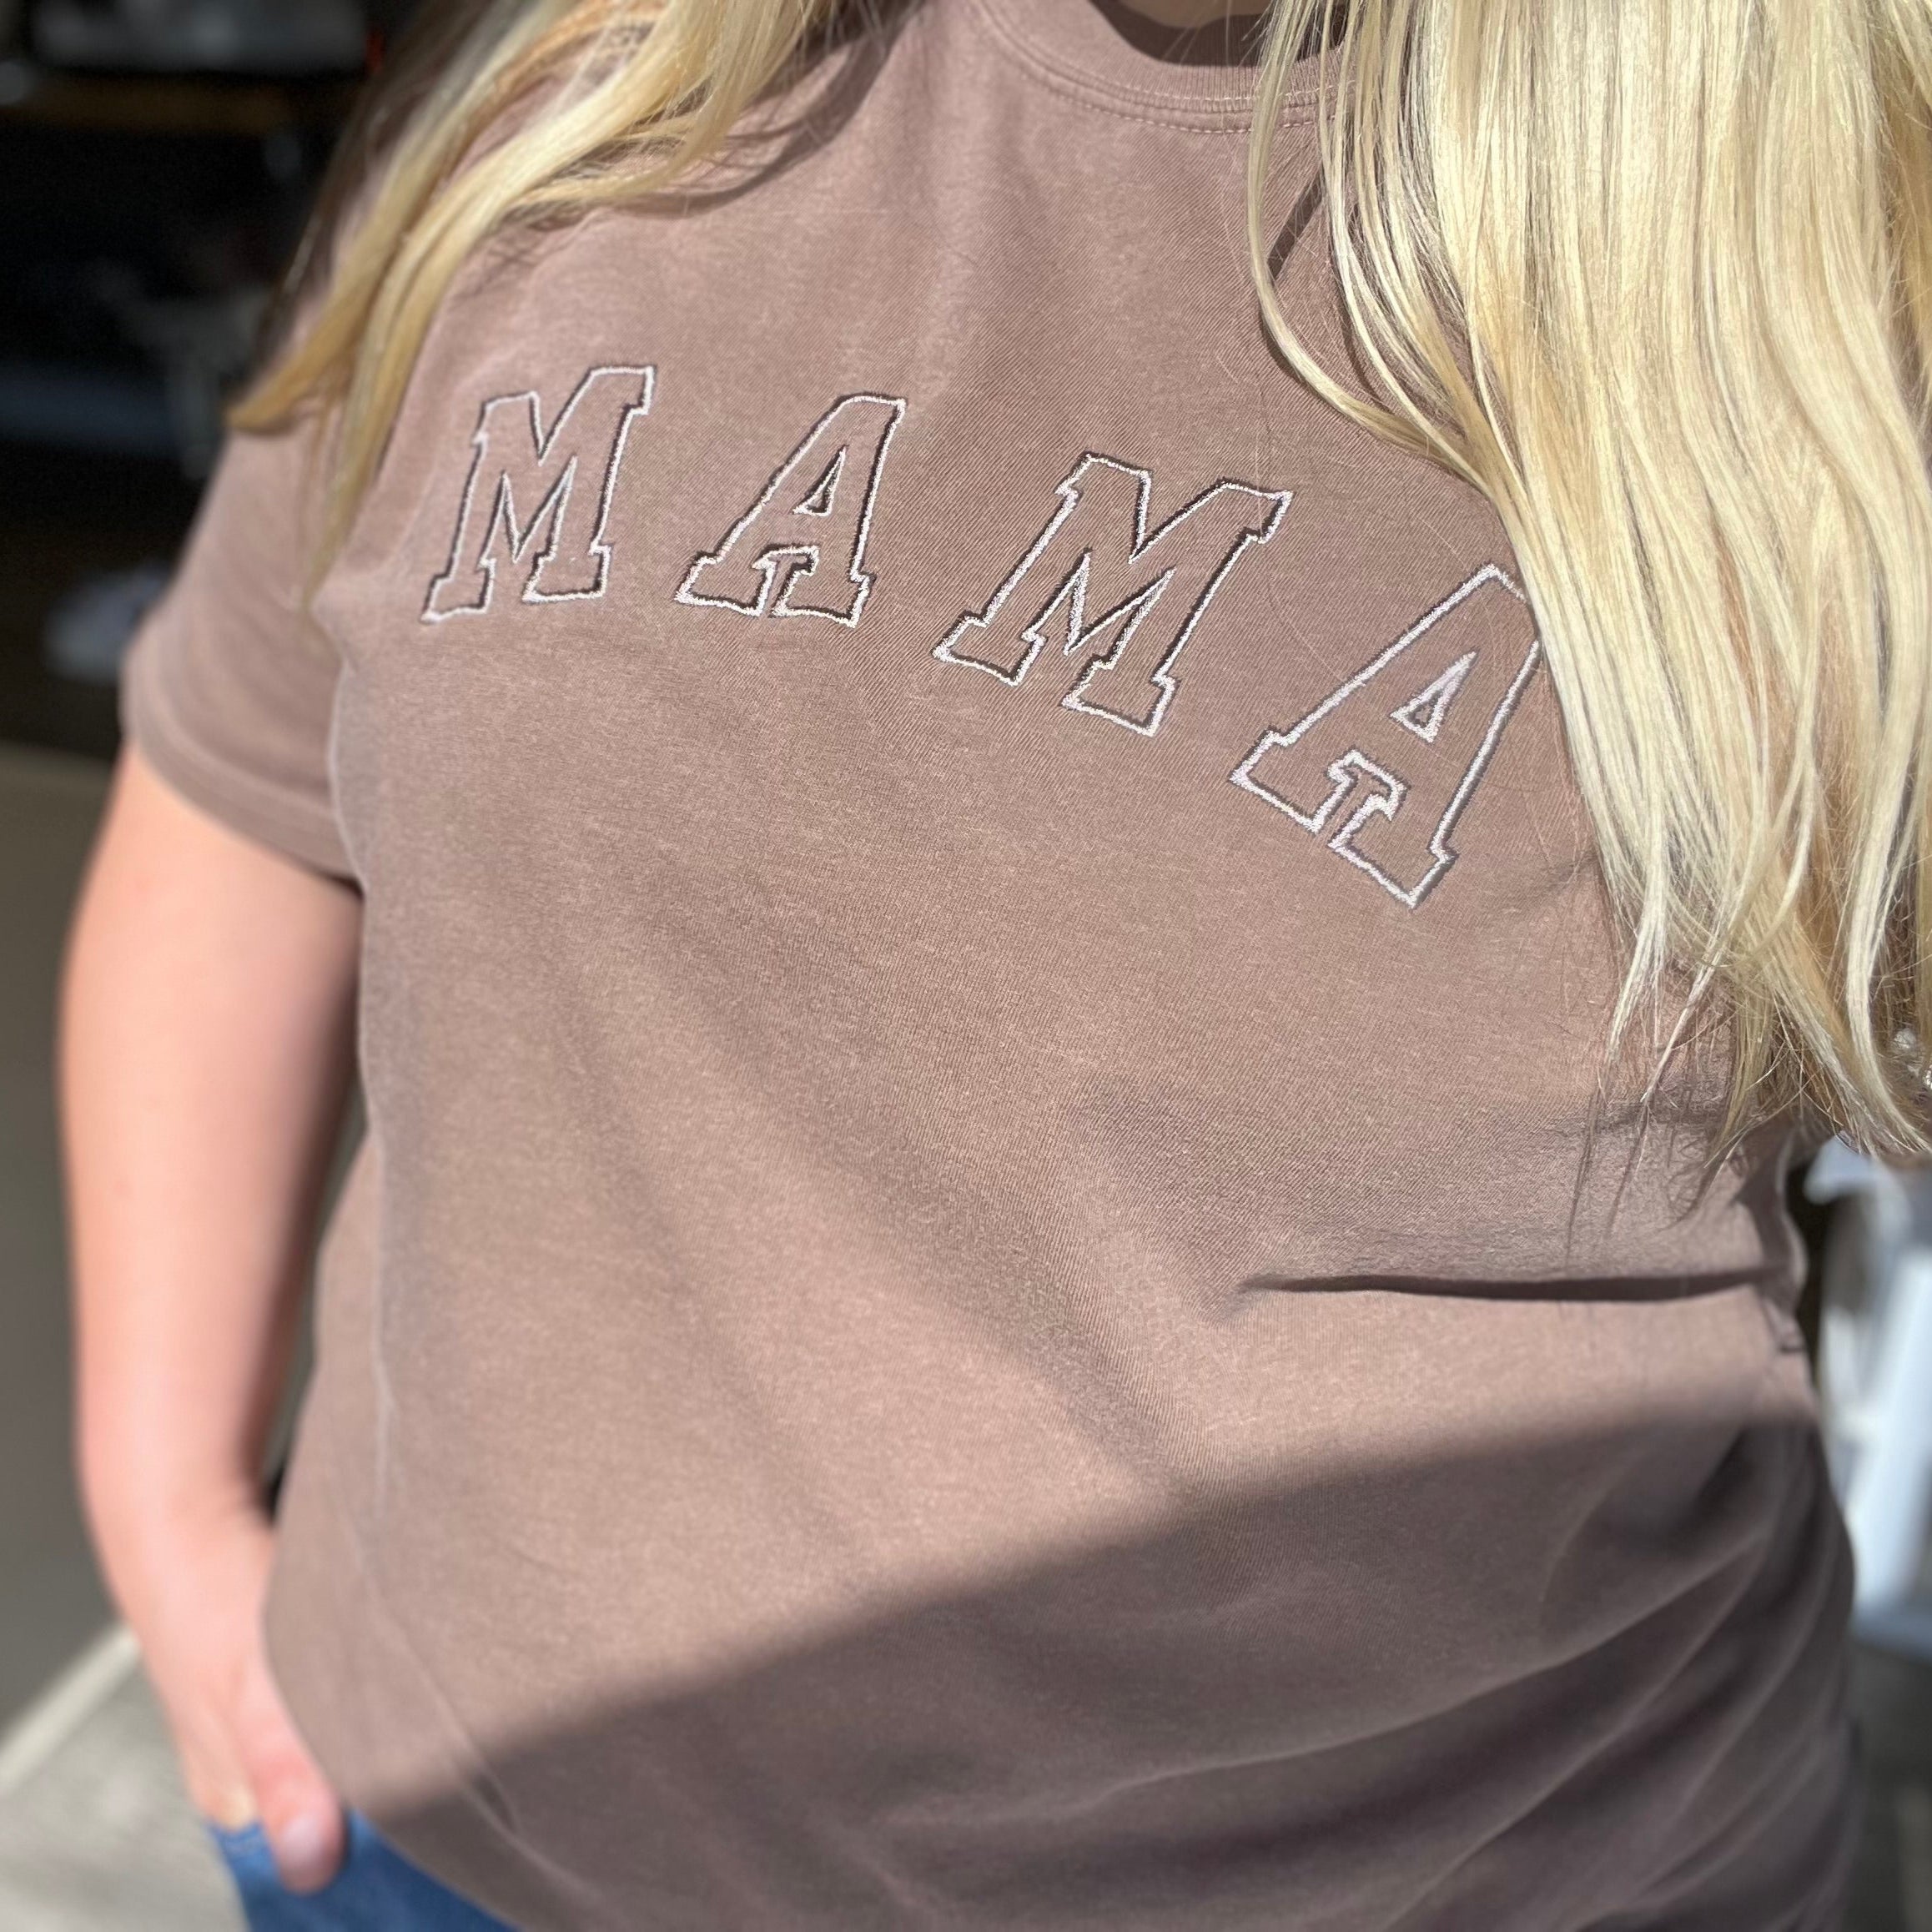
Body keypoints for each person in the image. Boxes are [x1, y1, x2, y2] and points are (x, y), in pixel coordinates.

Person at [56, 0, 1932, 1924]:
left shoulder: (1835, 274)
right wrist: (167, 1501)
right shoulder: (580, 92)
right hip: (434, 1855)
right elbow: (245, 775)